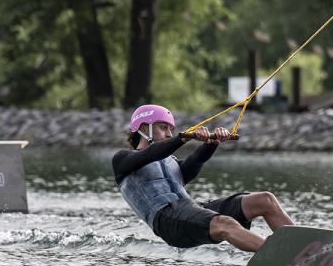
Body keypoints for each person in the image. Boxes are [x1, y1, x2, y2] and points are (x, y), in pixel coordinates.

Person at [113, 104, 294, 252]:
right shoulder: (123, 160)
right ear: (144, 128)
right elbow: (150, 154)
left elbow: (193, 163)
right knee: (225, 224)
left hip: (190, 208)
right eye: (163, 128)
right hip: (168, 222)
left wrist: (211, 143)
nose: (169, 133)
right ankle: (281, 258)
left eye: (171, 129)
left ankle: (305, 249)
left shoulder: (171, 163)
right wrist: (182, 139)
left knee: (264, 200)